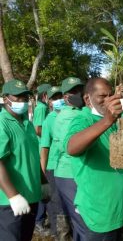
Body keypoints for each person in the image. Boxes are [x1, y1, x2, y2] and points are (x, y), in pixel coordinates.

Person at [64, 77, 123, 240]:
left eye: (110, 95)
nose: (108, 100)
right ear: (87, 99)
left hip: (114, 210)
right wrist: (107, 120)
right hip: (97, 214)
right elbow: (72, 147)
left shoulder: (110, 120)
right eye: (102, 96)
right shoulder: (83, 119)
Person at [0, 79, 42, 241]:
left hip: (31, 196)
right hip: (9, 202)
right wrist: (13, 196)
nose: (22, 101)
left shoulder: (26, 122)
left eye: (25, 97)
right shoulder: (2, 123)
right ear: (5, 99)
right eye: (17, 97)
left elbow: (32, 155)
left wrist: (43, 182)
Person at [53, 77, 85, 240]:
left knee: (80, 219)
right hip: (68, 173)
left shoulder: (79, 112)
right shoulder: (66, 116)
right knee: (81, 220)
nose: (78, 94)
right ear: (65, 97)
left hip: (76, 172)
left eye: (79, 90)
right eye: (73, 92)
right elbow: (72, 147)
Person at [40, 86, 71, 240]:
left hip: (69, 167)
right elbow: (44, 148)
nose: (58, 100)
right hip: (53, 167)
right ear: (49, 102)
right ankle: (59, 234)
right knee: (55, 202)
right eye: (54, 98)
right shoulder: (49, 120)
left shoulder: (71, 114)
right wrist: (43, 172)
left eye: (60, 96)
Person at [33, 83, 51, 235]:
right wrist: (50, 135)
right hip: (42, 149)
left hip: (43, 148)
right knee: (45, 186)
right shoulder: (41, 108)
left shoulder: (42, 107)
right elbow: (38, 128)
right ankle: (38, 221)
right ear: (45, 95)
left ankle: (41, 218)